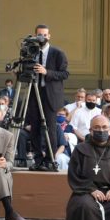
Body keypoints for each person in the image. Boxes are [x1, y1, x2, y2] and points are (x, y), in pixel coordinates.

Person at [25, 24, 69, 170]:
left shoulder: (57, 53)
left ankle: (50, 160)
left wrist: (46, 72)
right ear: (35, 35)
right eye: (39, 34)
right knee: (35, 127)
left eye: (44, 35)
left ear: (49, 36)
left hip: (50, 94)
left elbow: (64, 74)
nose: (42, 37)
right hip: (34, 93)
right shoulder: (31, 52)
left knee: (50, 128)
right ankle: (38, 160)